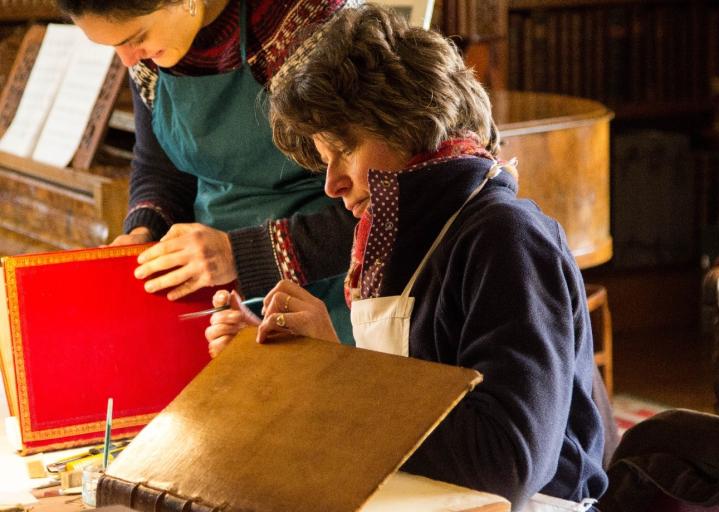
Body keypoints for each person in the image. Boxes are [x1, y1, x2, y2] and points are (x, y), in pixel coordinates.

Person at [205, 5, 608, 509]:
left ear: (407, 122)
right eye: (325, 161)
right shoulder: (405, 241)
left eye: (344, 149)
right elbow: (394, 411)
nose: (332, 185)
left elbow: (508, 462)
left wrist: (333, 372)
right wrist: (300, 365)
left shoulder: (506, 237)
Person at [56, 0, 357, 343]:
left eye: (136, 37)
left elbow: (388, 204)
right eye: (114, 46)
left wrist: (237, 254)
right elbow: (162, 167)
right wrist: (143, 231)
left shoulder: (306, 24)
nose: (128, 59)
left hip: (335, 297)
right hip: (221, 301)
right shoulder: (149, 56)